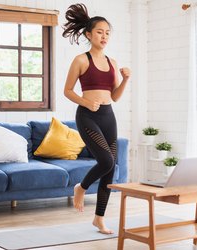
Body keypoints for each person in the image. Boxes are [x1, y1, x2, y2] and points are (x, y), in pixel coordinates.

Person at [62, 3, 130, 234]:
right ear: (88, 34)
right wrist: (85, 102)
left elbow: (115, 96)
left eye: (107, 33)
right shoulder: (81, 60)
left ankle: (99, 219)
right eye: (100, 32)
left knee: (110, 170)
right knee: (107, 161)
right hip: (87, 116)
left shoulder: (112, 63)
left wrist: (126, 80)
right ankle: (81, 187)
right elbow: (68, 90)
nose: (104, 36)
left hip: (108, 115)